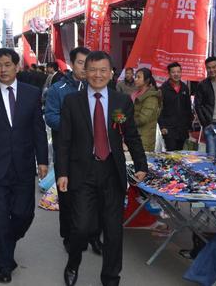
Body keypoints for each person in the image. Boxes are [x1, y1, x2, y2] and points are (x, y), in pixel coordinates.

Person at [56, 51, 147, 286]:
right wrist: (62, 173)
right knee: (81, 227)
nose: (98, 75)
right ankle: (73, 262)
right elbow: (64, 141)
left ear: (111, 73)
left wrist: (141, 165)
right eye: (93, 70)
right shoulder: (72, 102)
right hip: (82, 172)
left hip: (112, 172)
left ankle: (110, 278)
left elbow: (131, 135)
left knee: (114, 230)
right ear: (84, 72)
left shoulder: (121, 101)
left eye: (103, 70)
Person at [0, 48, 48, 284]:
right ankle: (4, 263)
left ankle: (8, 241)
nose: (2, 69)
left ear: (17, 66)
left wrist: (43, 160)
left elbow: (38, 130)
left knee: (25, 214)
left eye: (7, 64)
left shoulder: (32, 94)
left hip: (24, 165)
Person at [44, 46, 100, 253]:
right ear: (72, 64)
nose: (84, 68)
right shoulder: (58, 89)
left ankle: (94, 236)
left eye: (88, 64)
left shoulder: (97, 88)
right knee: (67, 197)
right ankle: (68, 236)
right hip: (67, 153)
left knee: (95, 197)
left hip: (94, 154)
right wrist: (76, 126)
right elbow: (50, 117)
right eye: (80, 63)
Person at [158, 62, 193, 151]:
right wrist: (162, 126)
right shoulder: (163, 89)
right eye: (173, 72)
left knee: (180, 153)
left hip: (182, 128)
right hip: (169, 128)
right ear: (169, 73)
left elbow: (188, 108)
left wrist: (189, 127)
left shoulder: (185, 88)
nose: (176, 74)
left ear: (181, 72)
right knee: (171, 153)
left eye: (178, 72)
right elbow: (159, 109)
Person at [132, 68, 162, 152]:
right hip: (136, 135)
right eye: (135, 77)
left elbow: (142, 119)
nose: (136, 79)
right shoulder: (136, 94)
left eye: (139, 77)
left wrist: (126, 120)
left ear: (147, 80)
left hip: (144, 138)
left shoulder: (151, 97)